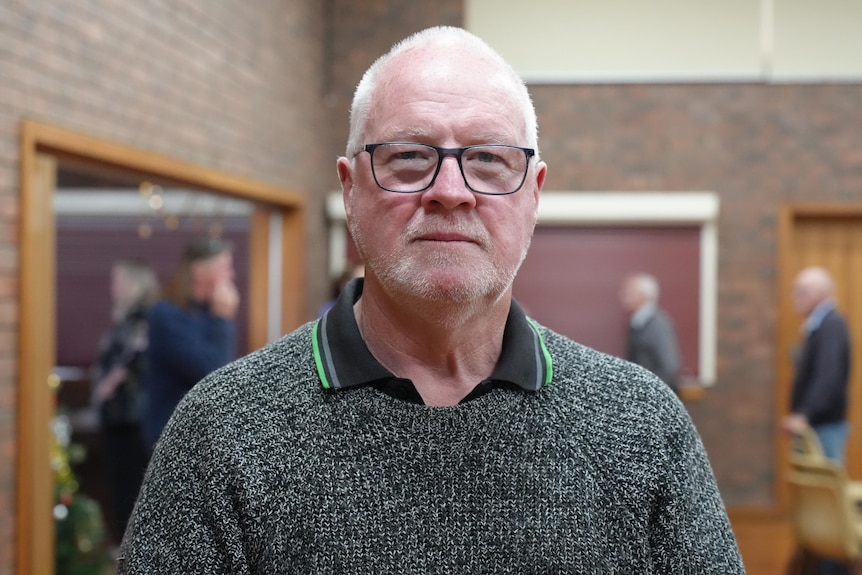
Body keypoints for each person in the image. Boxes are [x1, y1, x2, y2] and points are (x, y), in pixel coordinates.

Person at [119, 26, 744, 573]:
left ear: (534, 194)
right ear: (350, 188)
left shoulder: (643, 428)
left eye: (491, 159)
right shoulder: (222, 433)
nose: (451, 190)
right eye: (410, 157)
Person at [140, 237, 239, 452]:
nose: (231, 276)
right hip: (171, 437)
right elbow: (210, 372)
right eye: (225, 268)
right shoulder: (167, 315)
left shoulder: (207, 313)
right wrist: (222, 319)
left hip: (200, 434)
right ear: (199, 271)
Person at [92, 258, 159, 544]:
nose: (113, 287)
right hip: (118, 417)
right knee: (119, 485)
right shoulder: (126, 317)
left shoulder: (142, 318)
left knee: (130, 487)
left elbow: (132, 359)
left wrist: (106, 386)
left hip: (132, 417)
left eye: (118, 281)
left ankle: (131, 551)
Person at [782, 266, 852, 463]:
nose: (796, 297)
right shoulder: (818, 326)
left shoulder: (831, 326)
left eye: (802, 291)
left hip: (823, 426)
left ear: (823, 293)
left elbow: (828, 377)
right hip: (818, 424)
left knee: (824, 488)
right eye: (794, 291)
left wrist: (805, 414)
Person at [620, 272, 683, 392]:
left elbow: (669, 367)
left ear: (643, 296)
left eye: (628, 293)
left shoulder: (657, 325)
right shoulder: (638, 322)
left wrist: (647, 392)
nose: (623, 297)